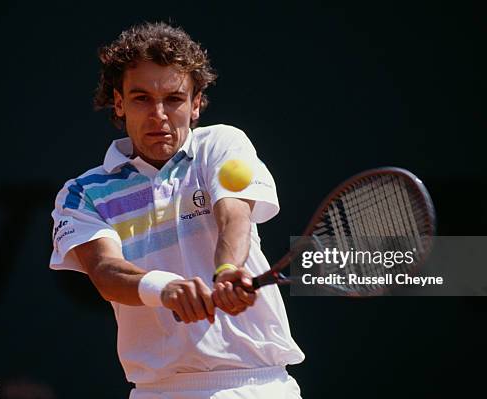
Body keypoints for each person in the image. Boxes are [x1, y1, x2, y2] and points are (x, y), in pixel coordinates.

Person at [49, 22, 304, 398]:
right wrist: (164, 288)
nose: (159, 115)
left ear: (196, 102)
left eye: (173, 99)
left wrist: (228, 269)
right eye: (141, 99)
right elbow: (105, 273)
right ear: (118, 102)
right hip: (158, 392)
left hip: (258, 386)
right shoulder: (81, 193)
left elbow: (233, 214)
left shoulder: (221, 144)